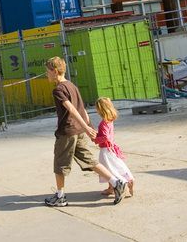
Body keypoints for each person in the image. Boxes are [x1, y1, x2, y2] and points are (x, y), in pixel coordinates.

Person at [43, 56, 127, 207]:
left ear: (55, 71)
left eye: (47, 71)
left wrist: (87, 127)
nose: (46, 74)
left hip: (68, 132)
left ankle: (60, 197)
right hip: (79, 130)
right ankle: (117, 182)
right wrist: (87, 127)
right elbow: (82, 109)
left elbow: (72, 108)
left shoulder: (58, 89)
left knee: (60, 164)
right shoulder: (72, 86)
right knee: (88, 159)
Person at [93, 97, 135, 197]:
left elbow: (105, 137)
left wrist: (96, 139)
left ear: (100, 109)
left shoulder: (103, 123)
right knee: (117, 166)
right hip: (112, 148)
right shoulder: (109, 121)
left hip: (105, 150)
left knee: (107, 169)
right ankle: (128, 180)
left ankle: (113, 186)